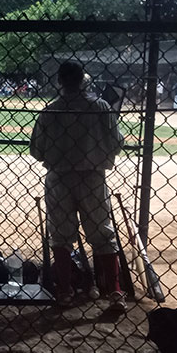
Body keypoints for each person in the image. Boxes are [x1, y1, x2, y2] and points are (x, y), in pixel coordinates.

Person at [30, 60, 126, 310]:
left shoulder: (50, 111)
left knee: (61, 236)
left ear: (60, 81)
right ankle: (115, 292)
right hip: (93, 176)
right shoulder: (101, 107)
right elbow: (117, 143)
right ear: (84, 80)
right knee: (103, 234)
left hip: (59, 177)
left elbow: (37, 152)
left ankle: (65, 291)